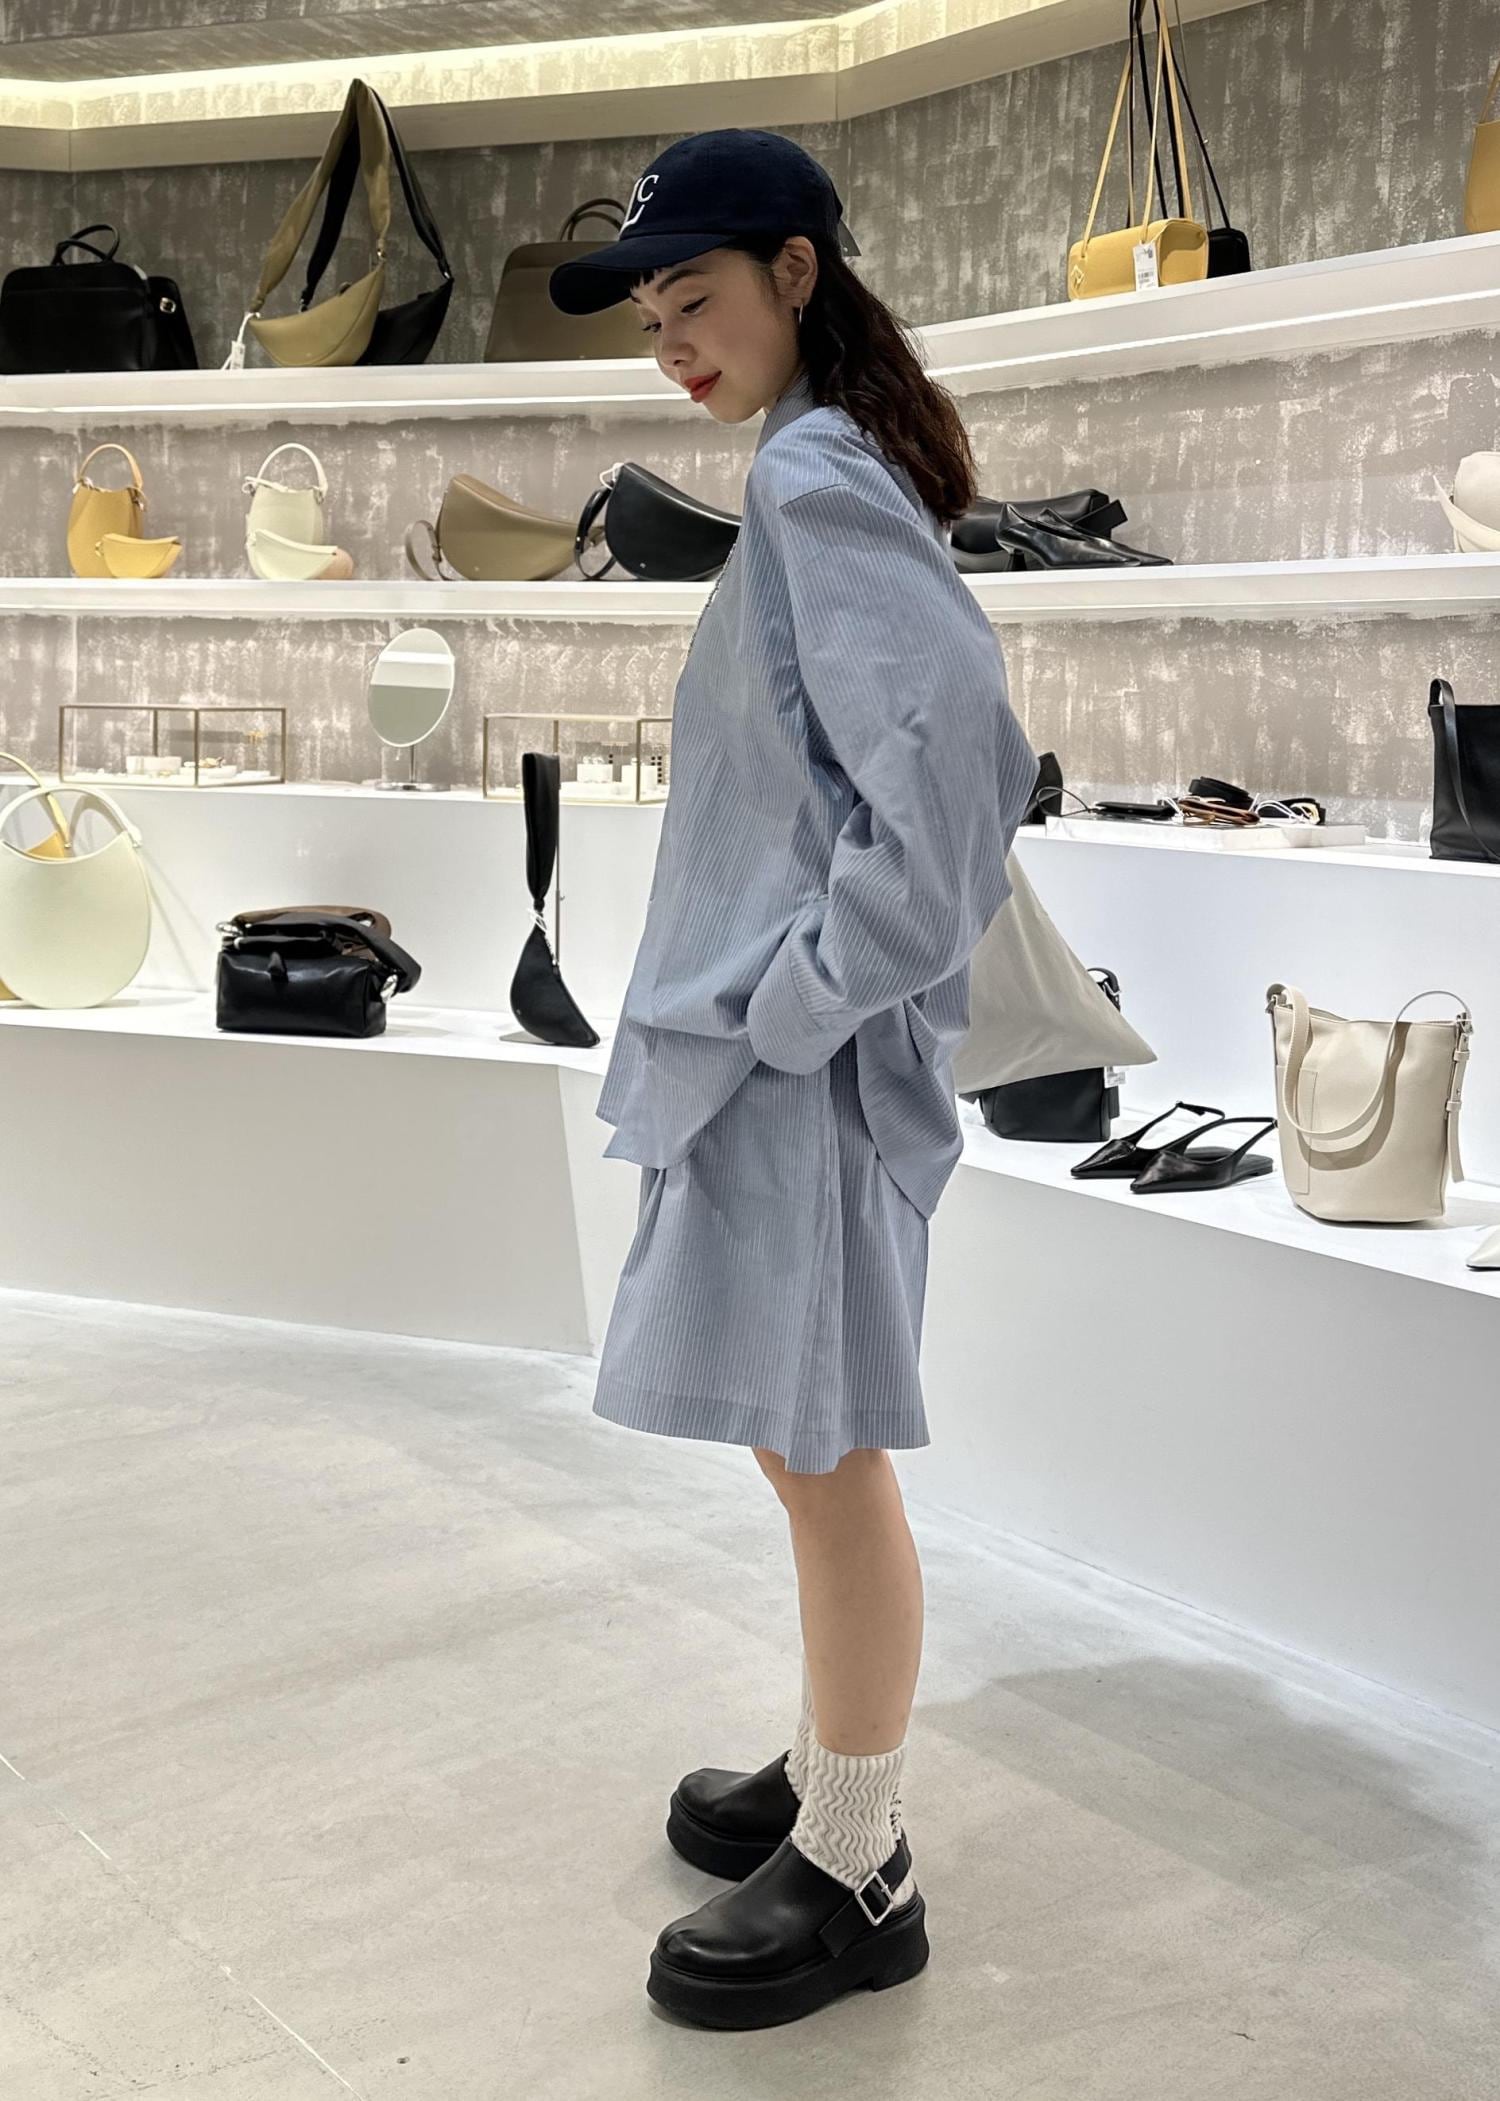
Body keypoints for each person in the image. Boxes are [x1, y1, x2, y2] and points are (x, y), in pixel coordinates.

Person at [549, 127, 1037, 2031]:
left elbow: (958, 775)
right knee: (794, 1436)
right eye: (652, 319)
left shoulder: (818, 471)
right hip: (778, 1054)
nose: (673, 342)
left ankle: (860, 1861)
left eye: (696, 299)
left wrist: (801, 1003)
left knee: (825, 1458)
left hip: (801, 1067)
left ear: (797, 274)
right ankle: (840, 1755)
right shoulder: (817, 458)